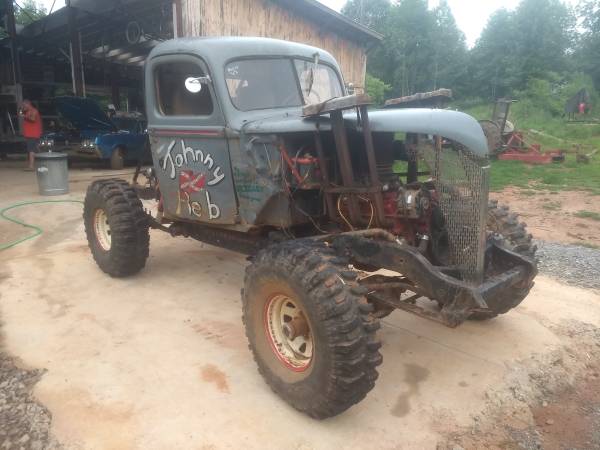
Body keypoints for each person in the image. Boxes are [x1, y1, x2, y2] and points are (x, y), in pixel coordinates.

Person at [19, 100, 43, 171]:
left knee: (31, 150)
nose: (23, 107)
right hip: (30, 134)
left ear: (28, 104)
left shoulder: (34, 111)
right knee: (36, 149)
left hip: (33, 134)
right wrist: (21, 110)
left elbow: (33, 119)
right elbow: (20, 113)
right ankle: (43, 163)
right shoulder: (27, 111)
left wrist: (24, 116)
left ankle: (31, 166)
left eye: (24, 105)